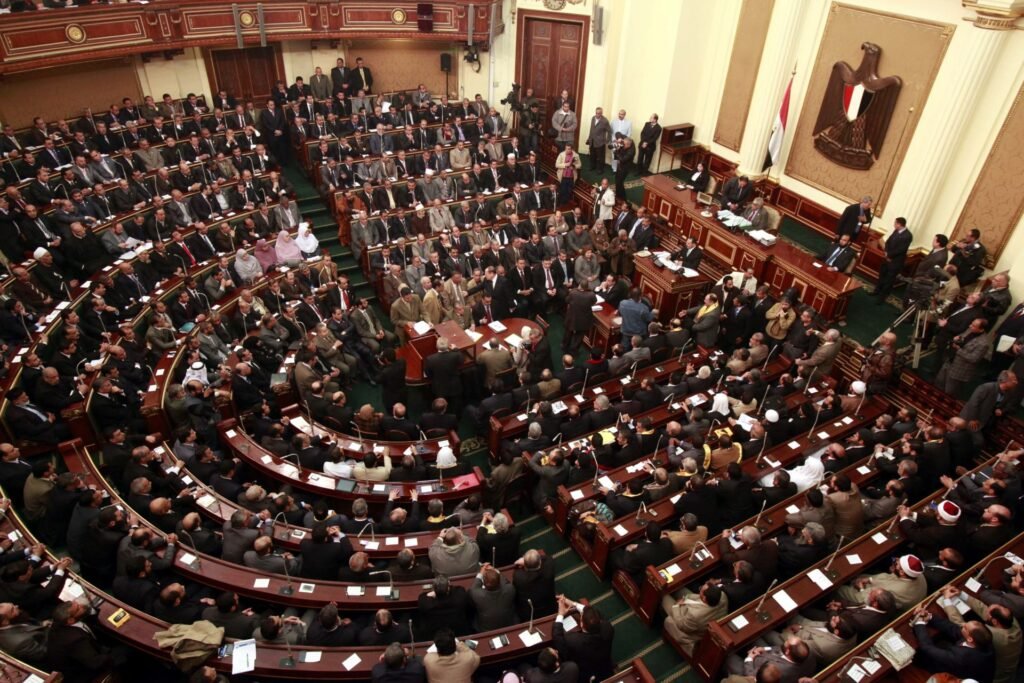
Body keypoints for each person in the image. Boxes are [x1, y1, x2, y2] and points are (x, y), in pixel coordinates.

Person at [662, 582, 727, 655]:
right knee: (677, 587)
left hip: (687, 626)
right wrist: (686, 598)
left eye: (701, 590)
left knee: (664, 596)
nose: (700, 589)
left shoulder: (695, 615)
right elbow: (697, 597)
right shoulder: (722, 596)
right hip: (696, 609)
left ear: (704, 598)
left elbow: (682, 625)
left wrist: (676, 606)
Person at [873, 217, 912, 302]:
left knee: (889, 281)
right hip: (886, 258)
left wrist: (889, 255)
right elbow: (888, 242)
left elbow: (901, 249)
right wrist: (886, 252)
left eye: (895, 223)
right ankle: (876, 291)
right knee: (882, 276)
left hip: (895, 262)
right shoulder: (896, 230)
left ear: (899, 224)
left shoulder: (908, 236)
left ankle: (882, 297)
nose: (894, 225)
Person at [585, 107, 612, 172]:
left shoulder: (605, 121)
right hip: (592, 141)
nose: (597, 115)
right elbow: (591, 129)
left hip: (600, 142)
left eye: (599, 113)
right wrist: (589, 138)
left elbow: (609, 131)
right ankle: (592, 166)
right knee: (592, 155)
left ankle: (600, 169)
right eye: (596, 113)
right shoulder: (593, 118)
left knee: (600, 157)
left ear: (602, 113)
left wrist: (607, 140)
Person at [613, 136, 635, 200]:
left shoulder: (631, 152)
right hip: (620, 166)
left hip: (625, 168)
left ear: (628, 145)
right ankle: (618, 196)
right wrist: (619, 141)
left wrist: (616, 151)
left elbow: (622, 159)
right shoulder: (626, 143)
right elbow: (618, 133)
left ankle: (623, 198)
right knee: (617, 181)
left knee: (619, 182)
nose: (622, 145)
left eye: (624, 144)